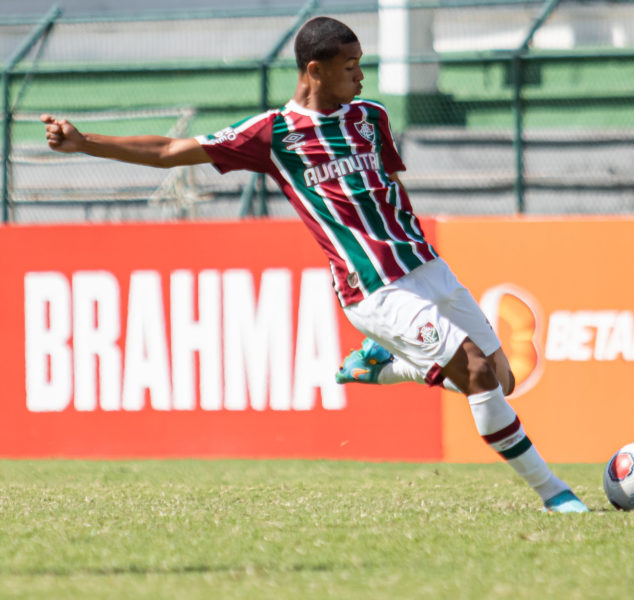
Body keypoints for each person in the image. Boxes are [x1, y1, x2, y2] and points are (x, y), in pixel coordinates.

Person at [41, 16, 587, 513]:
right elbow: (168, 151)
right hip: (374, 288)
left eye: (361, 66)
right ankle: (554, 492)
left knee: (503, 380)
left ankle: (389, 366)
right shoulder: (274, 134)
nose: (361, 78)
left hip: (429, 268)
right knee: (478, 370)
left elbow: (390, 186)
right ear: (314, 70)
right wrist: (85, 142)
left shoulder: (371, 118)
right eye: (350, 68)